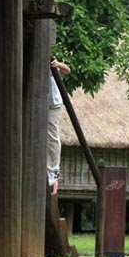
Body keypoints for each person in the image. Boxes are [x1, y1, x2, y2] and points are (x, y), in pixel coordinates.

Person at [47, 56, 71, 195]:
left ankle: (54, 170)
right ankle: (47, 168)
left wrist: (57, 64)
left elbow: (68, 70)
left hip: (54, 104)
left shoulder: (55, 66)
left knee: (53, 136)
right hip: (40, 103)